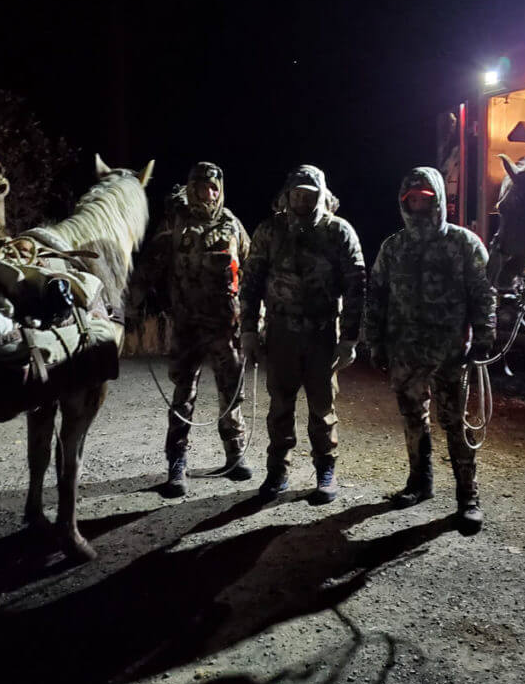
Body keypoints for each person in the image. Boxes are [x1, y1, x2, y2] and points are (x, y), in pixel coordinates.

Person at [363, 166, 497, 531]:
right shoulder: (393, 247)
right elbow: (376, 295)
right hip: (405, 352)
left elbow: (483, 293)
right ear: (404, 202)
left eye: (426, 199)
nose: (419, 206)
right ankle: (419, 483)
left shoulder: (464, 243)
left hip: (451, 354)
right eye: (413, 200)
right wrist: (374, 341)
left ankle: (467, 496)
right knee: (412, 418)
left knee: (455, 423)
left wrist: (484, 335)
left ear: (438, 200)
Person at [240, 164, 365, 504]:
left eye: (308, 195)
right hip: (281, 332)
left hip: (322, 335)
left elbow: (356, 285)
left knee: (322, 408)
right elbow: (251, 282)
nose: (301, 200)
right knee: (280, 405)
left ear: (320, 196)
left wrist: (349, 338)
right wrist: (248, 330)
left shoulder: (338, 231)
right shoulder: (270, 230)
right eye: (296, 193)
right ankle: (277, 472)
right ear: (287, 194)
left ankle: (326, 471)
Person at [140, 162, 251, 497]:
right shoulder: (175, 223)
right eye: (202, 187)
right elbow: (151, 264)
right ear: (191, 189)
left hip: (224, 326)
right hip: (187, 324)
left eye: (214, 187)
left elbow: (251, 267)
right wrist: (140, 297)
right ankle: (177, 463)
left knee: (231, 392)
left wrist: (254, 312)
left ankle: (235, 454)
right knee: (183, 394)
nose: (208, 193)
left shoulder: (231, 223)